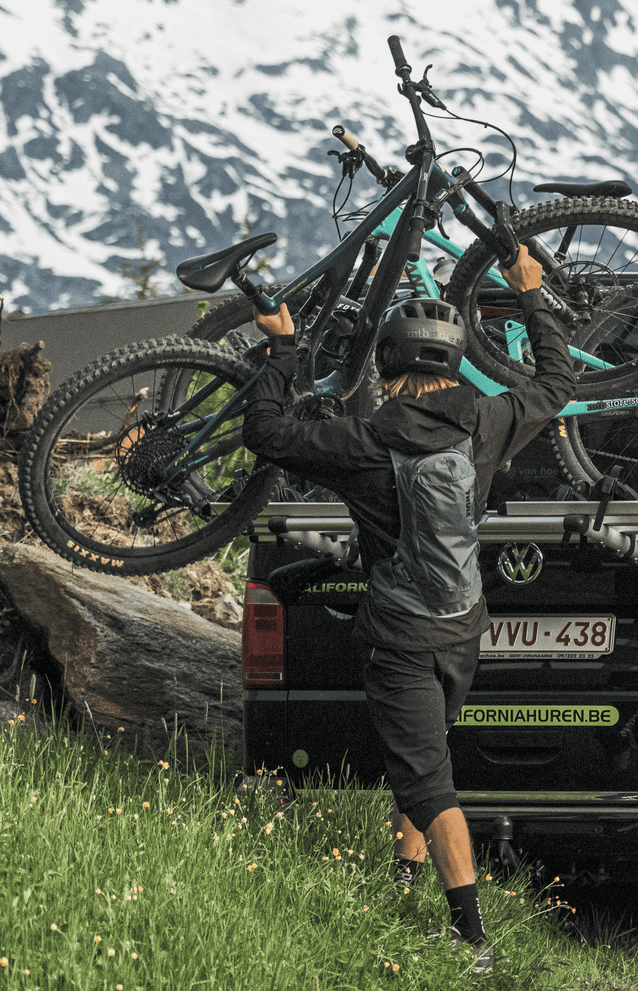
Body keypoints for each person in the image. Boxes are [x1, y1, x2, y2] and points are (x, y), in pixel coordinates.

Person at [242, 246, 575, 972]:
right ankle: (401, 880)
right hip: (463, 630)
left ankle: (471, 939)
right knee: (420, 760)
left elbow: (264, 430)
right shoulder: (488, 420)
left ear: (388, 365)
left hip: (398, 635)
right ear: (454, 364)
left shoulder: (362, 440)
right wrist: (532, 295)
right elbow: (556, 381)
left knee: (428, 780)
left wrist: (283, 348)